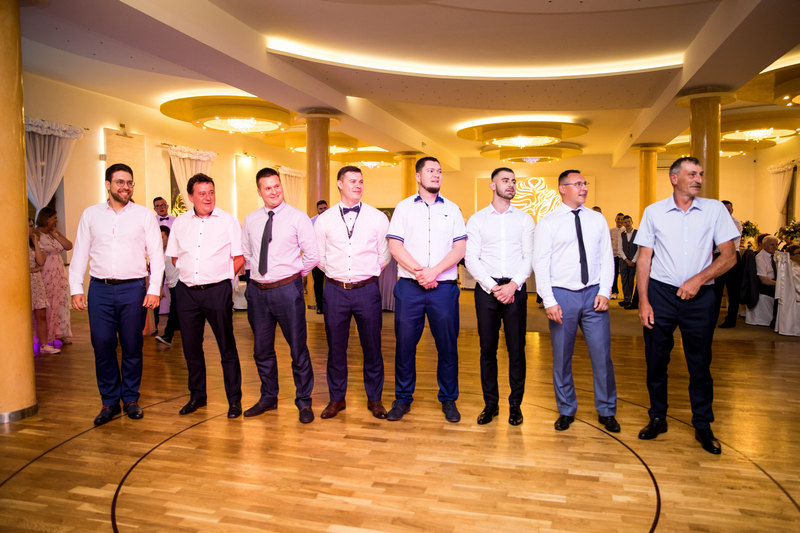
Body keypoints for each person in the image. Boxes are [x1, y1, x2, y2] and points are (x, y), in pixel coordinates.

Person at [635, 157, 738, 455]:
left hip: (701, 297)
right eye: (692, 174)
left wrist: (698, 279)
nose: (699, 179)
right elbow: (644, 259)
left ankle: (703, 424)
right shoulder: (653, 212)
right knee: (656, 360)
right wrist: (643, 301)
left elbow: (729, 256)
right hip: (660, 294)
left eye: (700, 174)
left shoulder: (715, 210)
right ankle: (657, 417)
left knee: (699, 363)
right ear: (674, 178)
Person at [69, 163, 165, 425]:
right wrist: (76, 288)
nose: (126, 187)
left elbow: (157, 255)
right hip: (100, 289)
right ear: (108, 185)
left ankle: (131, 399)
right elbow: (80, 253)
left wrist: (154, 290)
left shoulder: (144, 215)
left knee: (133, 345)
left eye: (129, 182)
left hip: (133, 288)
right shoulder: (90, 215)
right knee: (102, 344)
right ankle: (109, 401)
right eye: (120, 182)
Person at [532, 170, 618, 432]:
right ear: (562, 188)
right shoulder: (549, 222)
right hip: (562, 295)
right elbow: (540, 262)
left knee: (602, 356)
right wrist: (548, 300)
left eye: (585, 183)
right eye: (578, 184)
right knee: (562, 357)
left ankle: (607, 410)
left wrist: (605, 291)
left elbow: (606, 257)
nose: (584, 188)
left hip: (594, 294)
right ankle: (566, 409)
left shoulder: (597, 219)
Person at [385, 156, 467, 423]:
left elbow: (459, 248)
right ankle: (403, 398)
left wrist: (434, 272)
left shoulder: (452, 209)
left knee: (448, 346)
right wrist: (420, 272)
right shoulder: (404, 208)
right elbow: (395, 246)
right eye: (430, 170)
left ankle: (448, 399)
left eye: (439, 171)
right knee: (405, 346)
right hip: (410, 287)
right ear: (418, 176)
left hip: (443, 288)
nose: (436, 174)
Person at [241, 168, 318, 424]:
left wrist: (293, 276)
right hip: (257, 292)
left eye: (277, 186)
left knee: (298, 349)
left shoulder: (298, 218)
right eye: (267, 188)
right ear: (259, 191)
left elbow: (312, 256)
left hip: (287, 291)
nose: (274, 191)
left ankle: (304, 401)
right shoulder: (251, 219)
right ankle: (268, 397)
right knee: (261, 350)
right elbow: (247, 253)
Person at [315, 166, 390, 420]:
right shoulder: (324, 220)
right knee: (336, 348)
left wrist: (367, 273)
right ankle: (337, 398)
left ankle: (375, 399)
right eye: (352, 181)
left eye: (361, 181)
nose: (358, 185)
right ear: (339, 184)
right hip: (335, 290)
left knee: (372, 346)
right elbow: (319, 256)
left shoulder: (378, 218)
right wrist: (337, 273)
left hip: (367, 290)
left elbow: (384, 254)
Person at [166, 173, 244, 419]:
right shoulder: (180, 223)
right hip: (187, 293)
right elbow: (175, 256)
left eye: (211, 192)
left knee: (226, 346)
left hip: (217, 291)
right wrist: (191, 274)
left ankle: (234, 400)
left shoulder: (228, 221)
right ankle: (197, 396)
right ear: (191, 197)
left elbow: (239, 257)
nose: (208, 197)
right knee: (191, 347)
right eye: (202, 193)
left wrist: (222, 278)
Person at [465, 167, 533, 426]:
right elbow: (471, 258)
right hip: (487, 291)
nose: (511, 184)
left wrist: (513, 285)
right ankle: (490, 405)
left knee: (516, 350)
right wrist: (494, 287)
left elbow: (529, 256)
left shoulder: (525, 219)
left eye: (513, 181)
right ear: (492, 185)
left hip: (516, 289)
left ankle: (516, 406)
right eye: (505, 180)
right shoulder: (477, 220)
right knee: (487, 350)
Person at [36, 206, 74, 347]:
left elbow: (68, 246)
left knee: (61, 302)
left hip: (59, 272)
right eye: (54, 218)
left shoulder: (54, 233)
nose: (56, 221)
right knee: (48, 303)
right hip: (46, 272)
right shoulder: (37, 233)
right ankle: (47, 336)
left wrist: (55, 234)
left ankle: (61, 333)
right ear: (46, 218)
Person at [29, 219, 59, 355]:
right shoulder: (14, 243)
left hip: (36, 280)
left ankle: (43, 345)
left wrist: (35, 242)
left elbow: (40, 261)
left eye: (31, 226)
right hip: (22, 282)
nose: (31, 228)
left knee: (41, 314)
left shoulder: (34, 243)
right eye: (29, 226)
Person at [715, 200, 743, 328]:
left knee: (733, 291)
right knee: (716, 290)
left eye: (729, 210)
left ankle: (731, 320)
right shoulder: (714, 221)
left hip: (732, 256)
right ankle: (712, 318)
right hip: (718, 256)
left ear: (732, 211)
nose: (726, 212)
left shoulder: (736, 223)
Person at [155, 226, 180, 347]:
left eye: (162, 237)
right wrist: (160, 289)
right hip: (172, 285)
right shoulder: (161, 252)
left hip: (179, 284)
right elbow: (163, 272)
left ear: (168, 237)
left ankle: (168, 336)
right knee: (177, 311)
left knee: (173, 310)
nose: (160, 240)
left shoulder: (175, 249)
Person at [310, 199, 329, 315]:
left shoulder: (334, 220)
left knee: (332, 283)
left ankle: (331, 306)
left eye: (325, 208)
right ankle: (320, 306)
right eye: (321, 208)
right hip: (317, 258)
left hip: (332, 257)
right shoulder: (312, 221)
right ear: (317, 209)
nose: (323, 210)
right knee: (318, 283)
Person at [617, 215, 639, 307]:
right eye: (625, 222)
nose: (627, 224)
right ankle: (626, 299)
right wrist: (626, 260)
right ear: (623, 224)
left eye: (628, 221)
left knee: (631, 280)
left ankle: (630, 299)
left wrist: (633, 261)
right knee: (624, 280)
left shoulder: (637, 233)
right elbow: (619, 248)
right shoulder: (622, 234)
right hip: (624, 261)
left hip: (634, 261)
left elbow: (639, 248)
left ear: (632, 222)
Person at [609, 212, 624, 300]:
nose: (620, 221)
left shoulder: (625, 230)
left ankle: (626, 294)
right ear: (615, 219)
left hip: (623, 257)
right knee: (614, 275)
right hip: (614, 255)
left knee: (624, 276)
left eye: (621, 219)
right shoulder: (611, 231)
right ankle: (614, 292)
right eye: (618, 219)